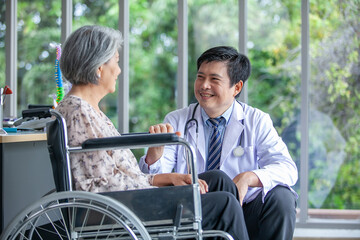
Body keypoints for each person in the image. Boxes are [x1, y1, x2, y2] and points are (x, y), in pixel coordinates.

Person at [56, 25, 249, 240]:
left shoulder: (88, 109)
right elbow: (99, 186)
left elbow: (113, 176)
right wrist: (162, 179)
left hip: (129, 199)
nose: (119, 70)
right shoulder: (79, 112)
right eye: (116, 61)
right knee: (225, 204)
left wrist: (161, 180)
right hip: (120, 210)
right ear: (99, 67)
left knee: (219, 180)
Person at [139, 46, 298, 240]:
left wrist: (249, 177)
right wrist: (154, 157)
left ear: (237, 87)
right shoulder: (177, 120)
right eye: (200, 77)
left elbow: (287, 169)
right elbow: (149, 184)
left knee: (282, 198)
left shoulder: (256, 120)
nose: (204, 85)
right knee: (218, 179)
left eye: (214, 79)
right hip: (199, 213)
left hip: (245, 210)